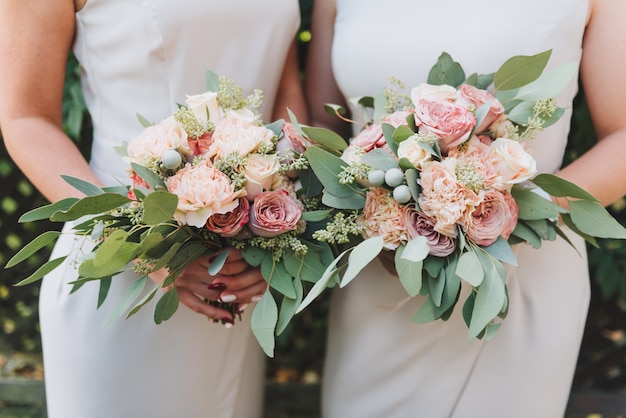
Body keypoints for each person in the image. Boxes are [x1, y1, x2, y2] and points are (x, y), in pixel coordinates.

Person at [305, 0, 626, 417]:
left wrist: (487, 215)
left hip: (518, 276)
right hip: (380, 279)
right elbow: (320, 131)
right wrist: (384, 221)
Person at [0, 1, 306, 417]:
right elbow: (25, 117)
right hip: (123, 271)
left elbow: (284, 97)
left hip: (238, 274)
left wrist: (279, 228)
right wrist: (148, 247)